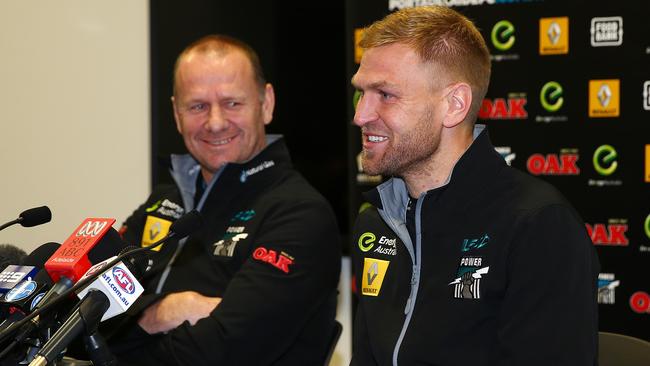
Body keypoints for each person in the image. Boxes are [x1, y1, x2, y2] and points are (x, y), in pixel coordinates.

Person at [349, 6, 599, 366]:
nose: (360, 114)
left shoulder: (537, 226)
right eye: (362, 93)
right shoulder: (377, 222)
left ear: (454, 105)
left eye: (385, 95)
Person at [109, 35, 341, 365]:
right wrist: (166, 310)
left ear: (266, 104)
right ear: (176, 113)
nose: (215, 122)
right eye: (197, 106)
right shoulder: (164, 200)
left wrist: (122, 329)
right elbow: (74, 320)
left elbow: (222, 352)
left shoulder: (300, 214)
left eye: (232, 103)